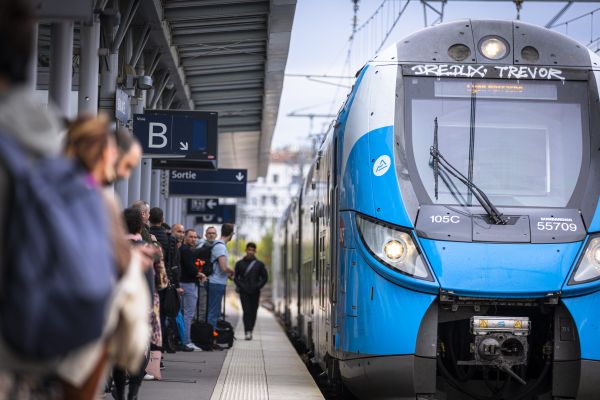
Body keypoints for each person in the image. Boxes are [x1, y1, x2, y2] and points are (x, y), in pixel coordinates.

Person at [234, 243, 268, 340]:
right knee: (246, 311)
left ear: (255, 251)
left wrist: (258, 286)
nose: (250, 252)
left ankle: (250, 330)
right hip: (243, 292)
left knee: (253, 311)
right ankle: (247, 332)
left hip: (255, 292)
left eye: (252, 250)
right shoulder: (239, 264)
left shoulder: (259, 264)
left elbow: (265, 278)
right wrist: (241, 286)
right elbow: (236, 278)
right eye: (249, 249)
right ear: (246, 250)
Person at [179, 229, 206, 351]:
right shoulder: (186, 251)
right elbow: (191, 269)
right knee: (189, 314)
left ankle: (182, 339)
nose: (193, 239)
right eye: (191, 237)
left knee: (183, 313)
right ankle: (187, 341)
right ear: (185, 237)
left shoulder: (183, 249)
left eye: (195, 237)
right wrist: (200, 274)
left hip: (183, 284)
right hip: (188, 285)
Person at [207, 224, 235, 329]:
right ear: (231, 234)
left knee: (215, 313)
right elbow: (223, 267)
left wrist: (229, 275)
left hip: (217, 283)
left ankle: (212, 338)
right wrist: (232, 271)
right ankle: (210, 340)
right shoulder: (220, 246)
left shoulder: (220, 245)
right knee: (213, 313)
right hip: (215, 283)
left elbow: (220, 268)